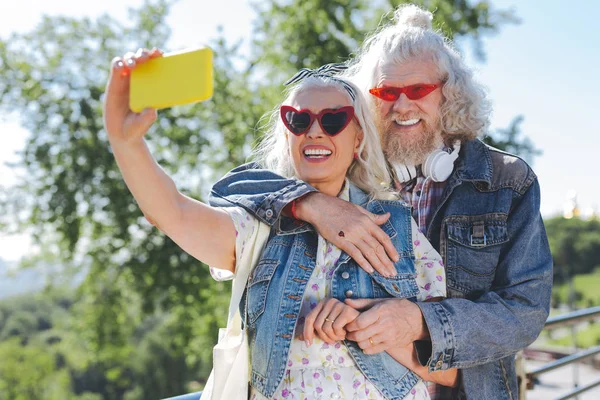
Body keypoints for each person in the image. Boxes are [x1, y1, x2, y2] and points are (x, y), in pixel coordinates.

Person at [208, 4, 553, 399]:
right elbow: (231, 189)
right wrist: (309, 204)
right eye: (387, 92)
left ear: (450, 94)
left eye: (418, 90)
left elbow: (524, 308)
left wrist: (419, 321)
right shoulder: (345, 161)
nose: (402, 106)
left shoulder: (508, 179)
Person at [103, 50, 458, 400]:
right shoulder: (256, 228)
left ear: (359, 139)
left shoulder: (398, 227)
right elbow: (172, 212)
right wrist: (126, 142)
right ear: (288, 135)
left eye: (334, 120)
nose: (315, 132)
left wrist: (376, 327)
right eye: (299, 120)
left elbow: (449, 371)